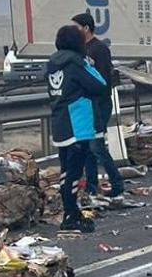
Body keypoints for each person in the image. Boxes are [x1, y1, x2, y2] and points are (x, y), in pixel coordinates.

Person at [46, 25, 107, 232]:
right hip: (77, 124)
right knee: (74, 172)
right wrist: (89, 65)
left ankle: (70, 211)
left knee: (66, 170)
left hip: (60, 122)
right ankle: (71, 215)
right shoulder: (76, 64)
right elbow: (100, 85)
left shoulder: (53, 63)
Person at [71, 13, 125, 198]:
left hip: (98, 105)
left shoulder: (99, 49)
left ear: (86, 28)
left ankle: (117, 182)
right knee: (88, 148)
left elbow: (103, 81)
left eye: (76, 27)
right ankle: (92, 186)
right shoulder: (81, 49)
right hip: (86, 105)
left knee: (97, 147)